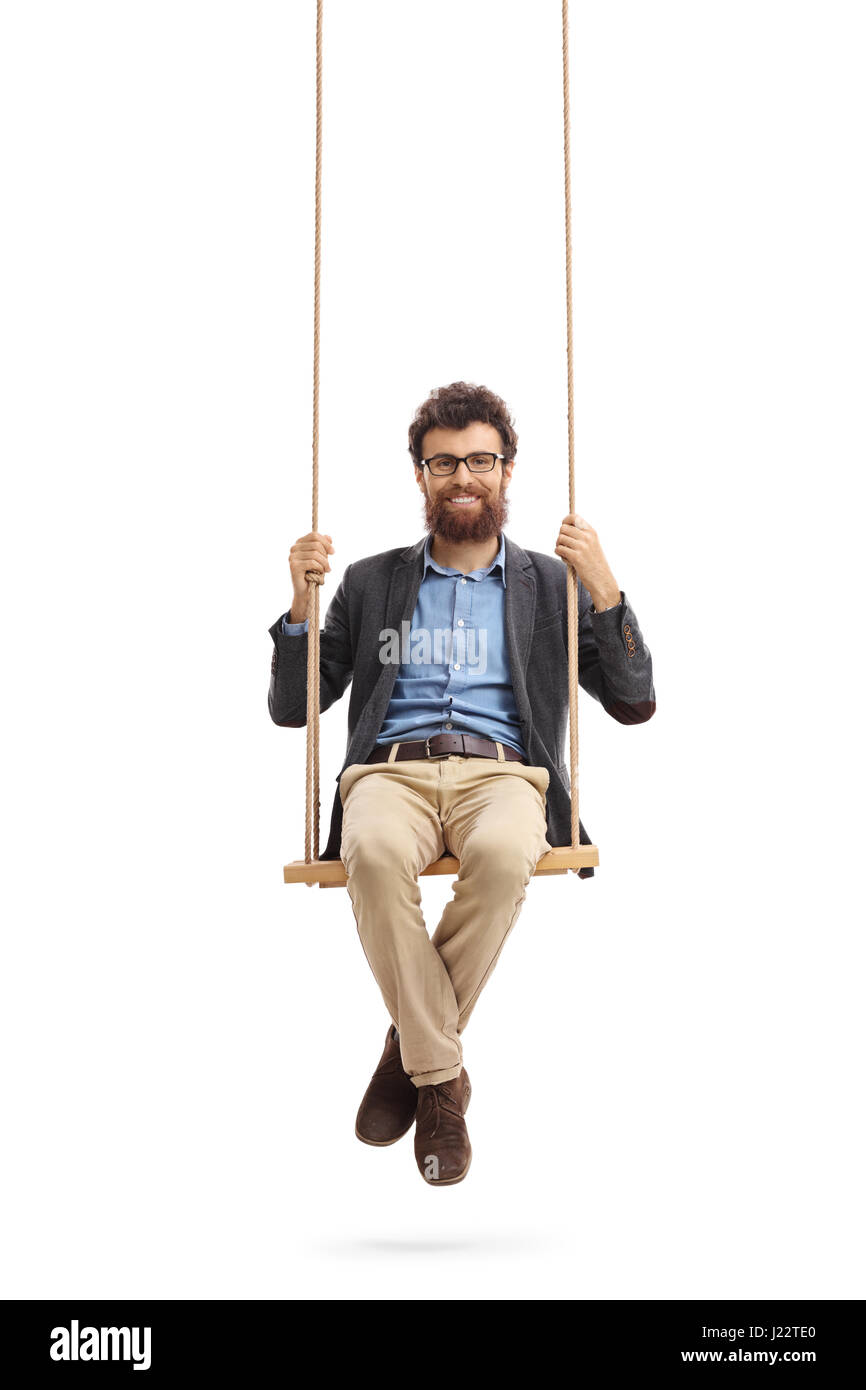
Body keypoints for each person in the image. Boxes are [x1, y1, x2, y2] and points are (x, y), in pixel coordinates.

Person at [268, 381, 656, 1186]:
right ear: (420, 476)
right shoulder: (373, 582)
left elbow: (633, 702)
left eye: (480, 459)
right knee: (371, 854)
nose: (463, 477)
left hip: (503, 772)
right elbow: (291, 707)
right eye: (444, 463)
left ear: (507, 470)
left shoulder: (550, 584)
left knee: (512, 851)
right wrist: (300, 605)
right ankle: (441, 1080)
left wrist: (606, 585)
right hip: (392, 770)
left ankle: (410, 1049)